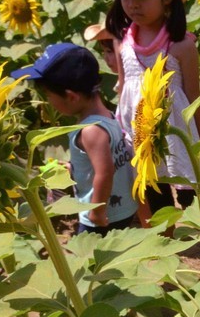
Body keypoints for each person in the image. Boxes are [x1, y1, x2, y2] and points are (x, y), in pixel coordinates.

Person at [93, 0, 200, 215]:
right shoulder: (123, 43)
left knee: (190, 199)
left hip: (178, 138)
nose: (132, 4)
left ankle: (198, 241)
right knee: (154, 195)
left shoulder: (181, 46)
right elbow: (124, 91)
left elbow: (194, 100)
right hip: (141, 138)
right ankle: (166, 244)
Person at [11, 44, 138, 235]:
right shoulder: (107, 116)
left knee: (88, 257)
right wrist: (76, 169)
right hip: (122, 208)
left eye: (48, 95)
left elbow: (105, 172)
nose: (48, 101)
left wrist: (96, 211)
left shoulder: (90, 131)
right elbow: (106, 159)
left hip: (103, 216)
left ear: (71, 97)